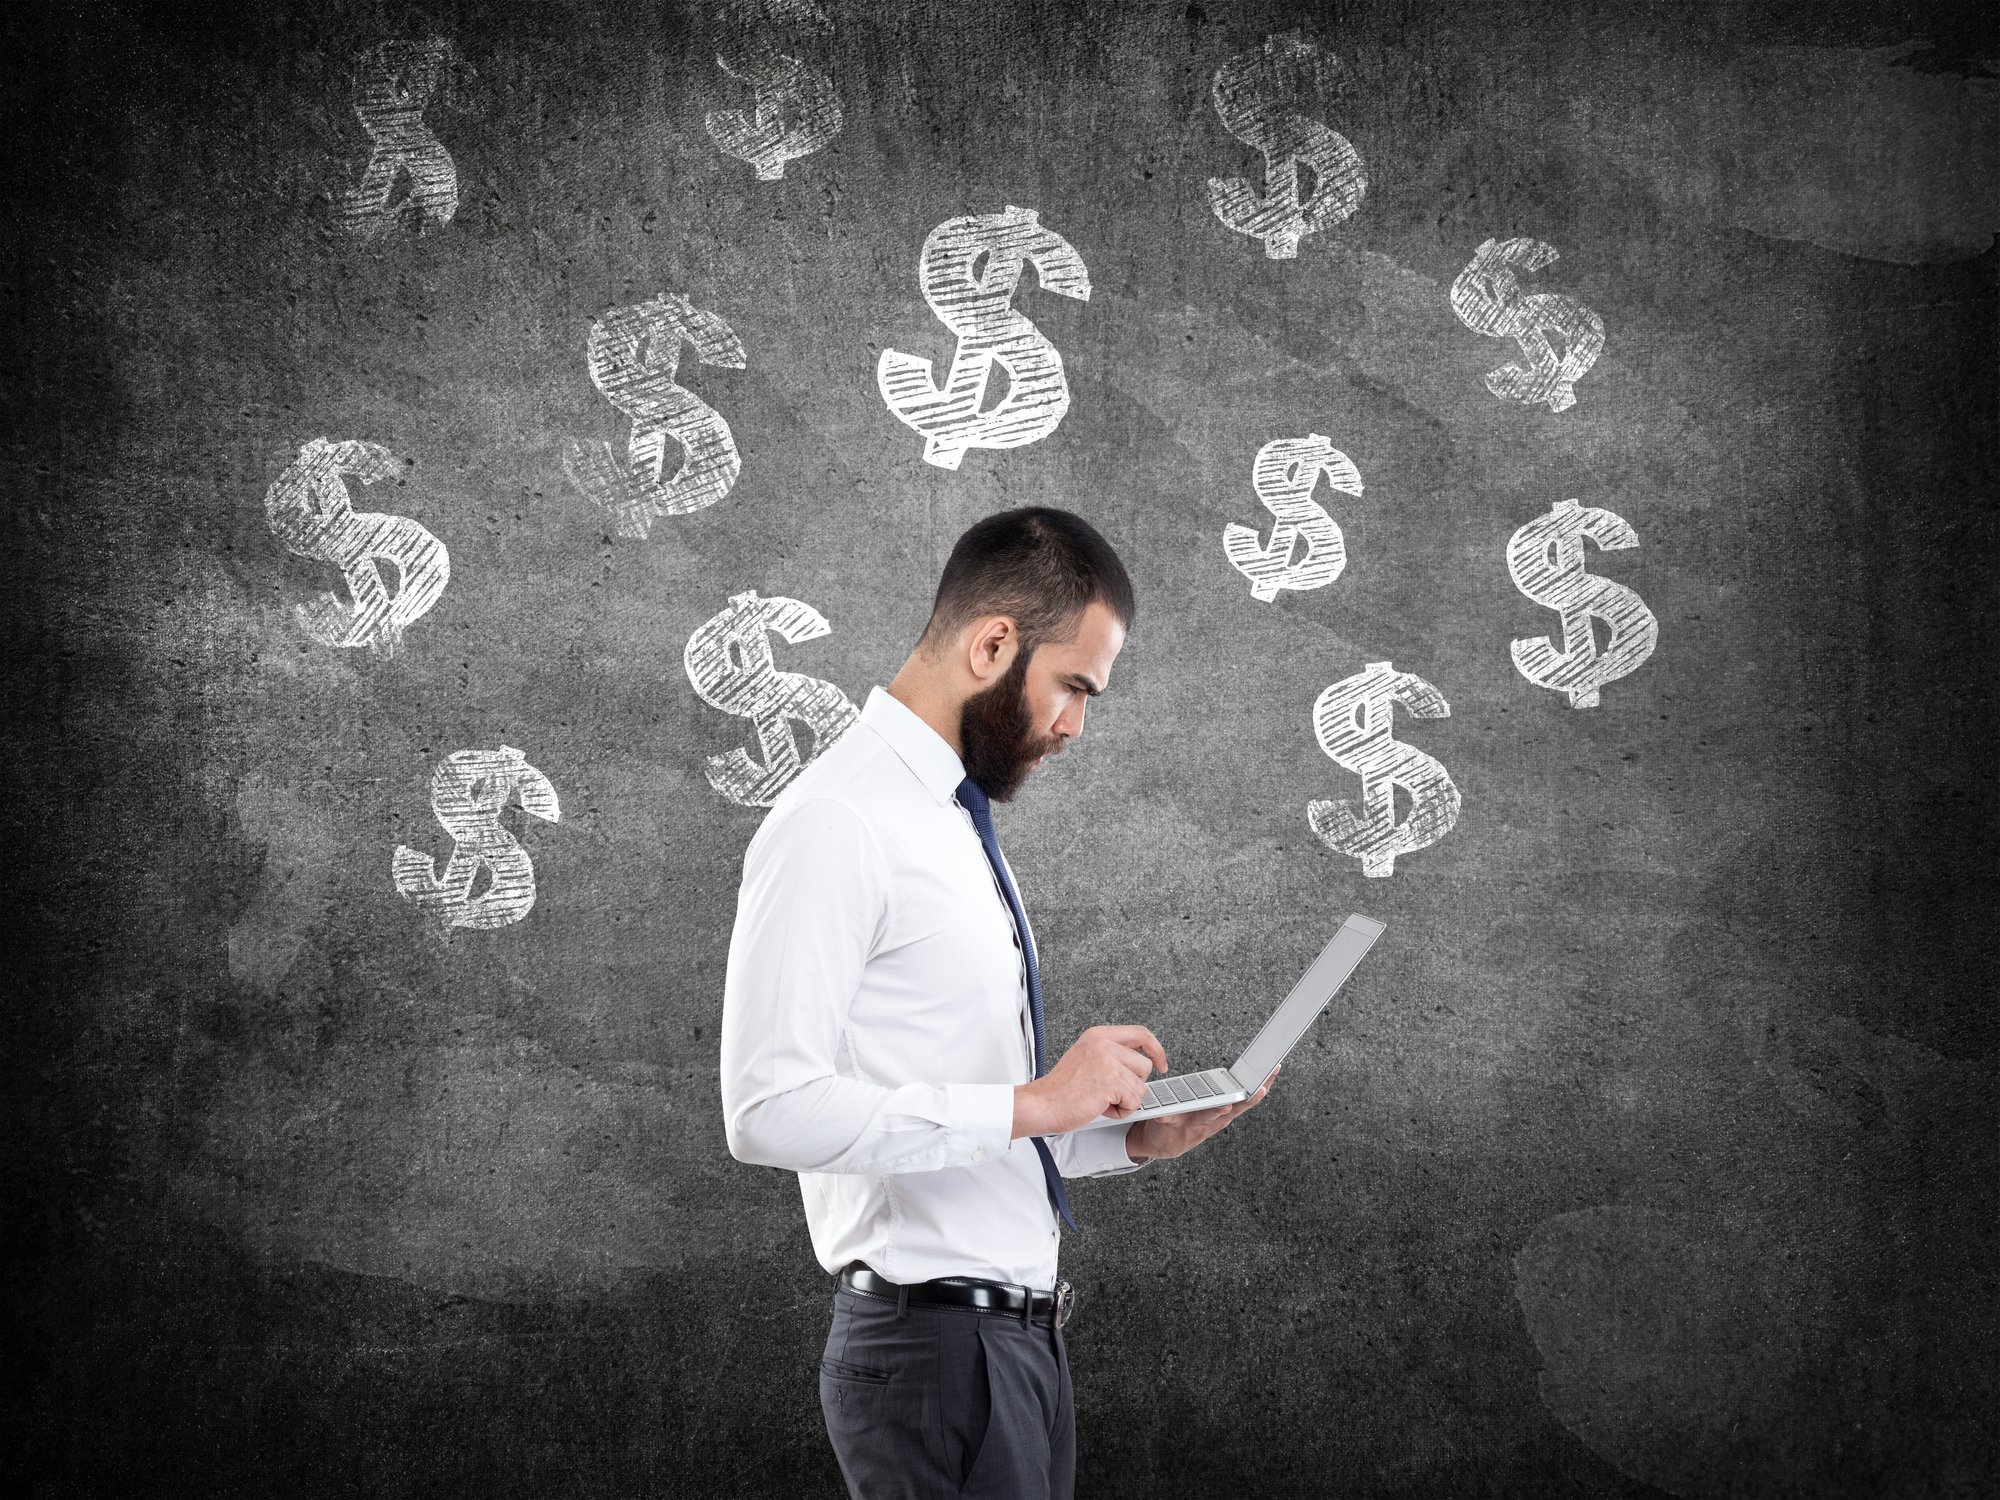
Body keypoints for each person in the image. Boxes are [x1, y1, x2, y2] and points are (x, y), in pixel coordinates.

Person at [719, 506, 1277, 1499]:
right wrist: (1037, 1103)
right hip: (935, 1360)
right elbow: (766, 1109)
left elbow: (951, 1108)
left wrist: (1120, 1137)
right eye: (1072, 687)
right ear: (991, 644)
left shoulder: (954, 826)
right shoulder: (835, 822)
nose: (1073, 726)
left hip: (1013, 1354)